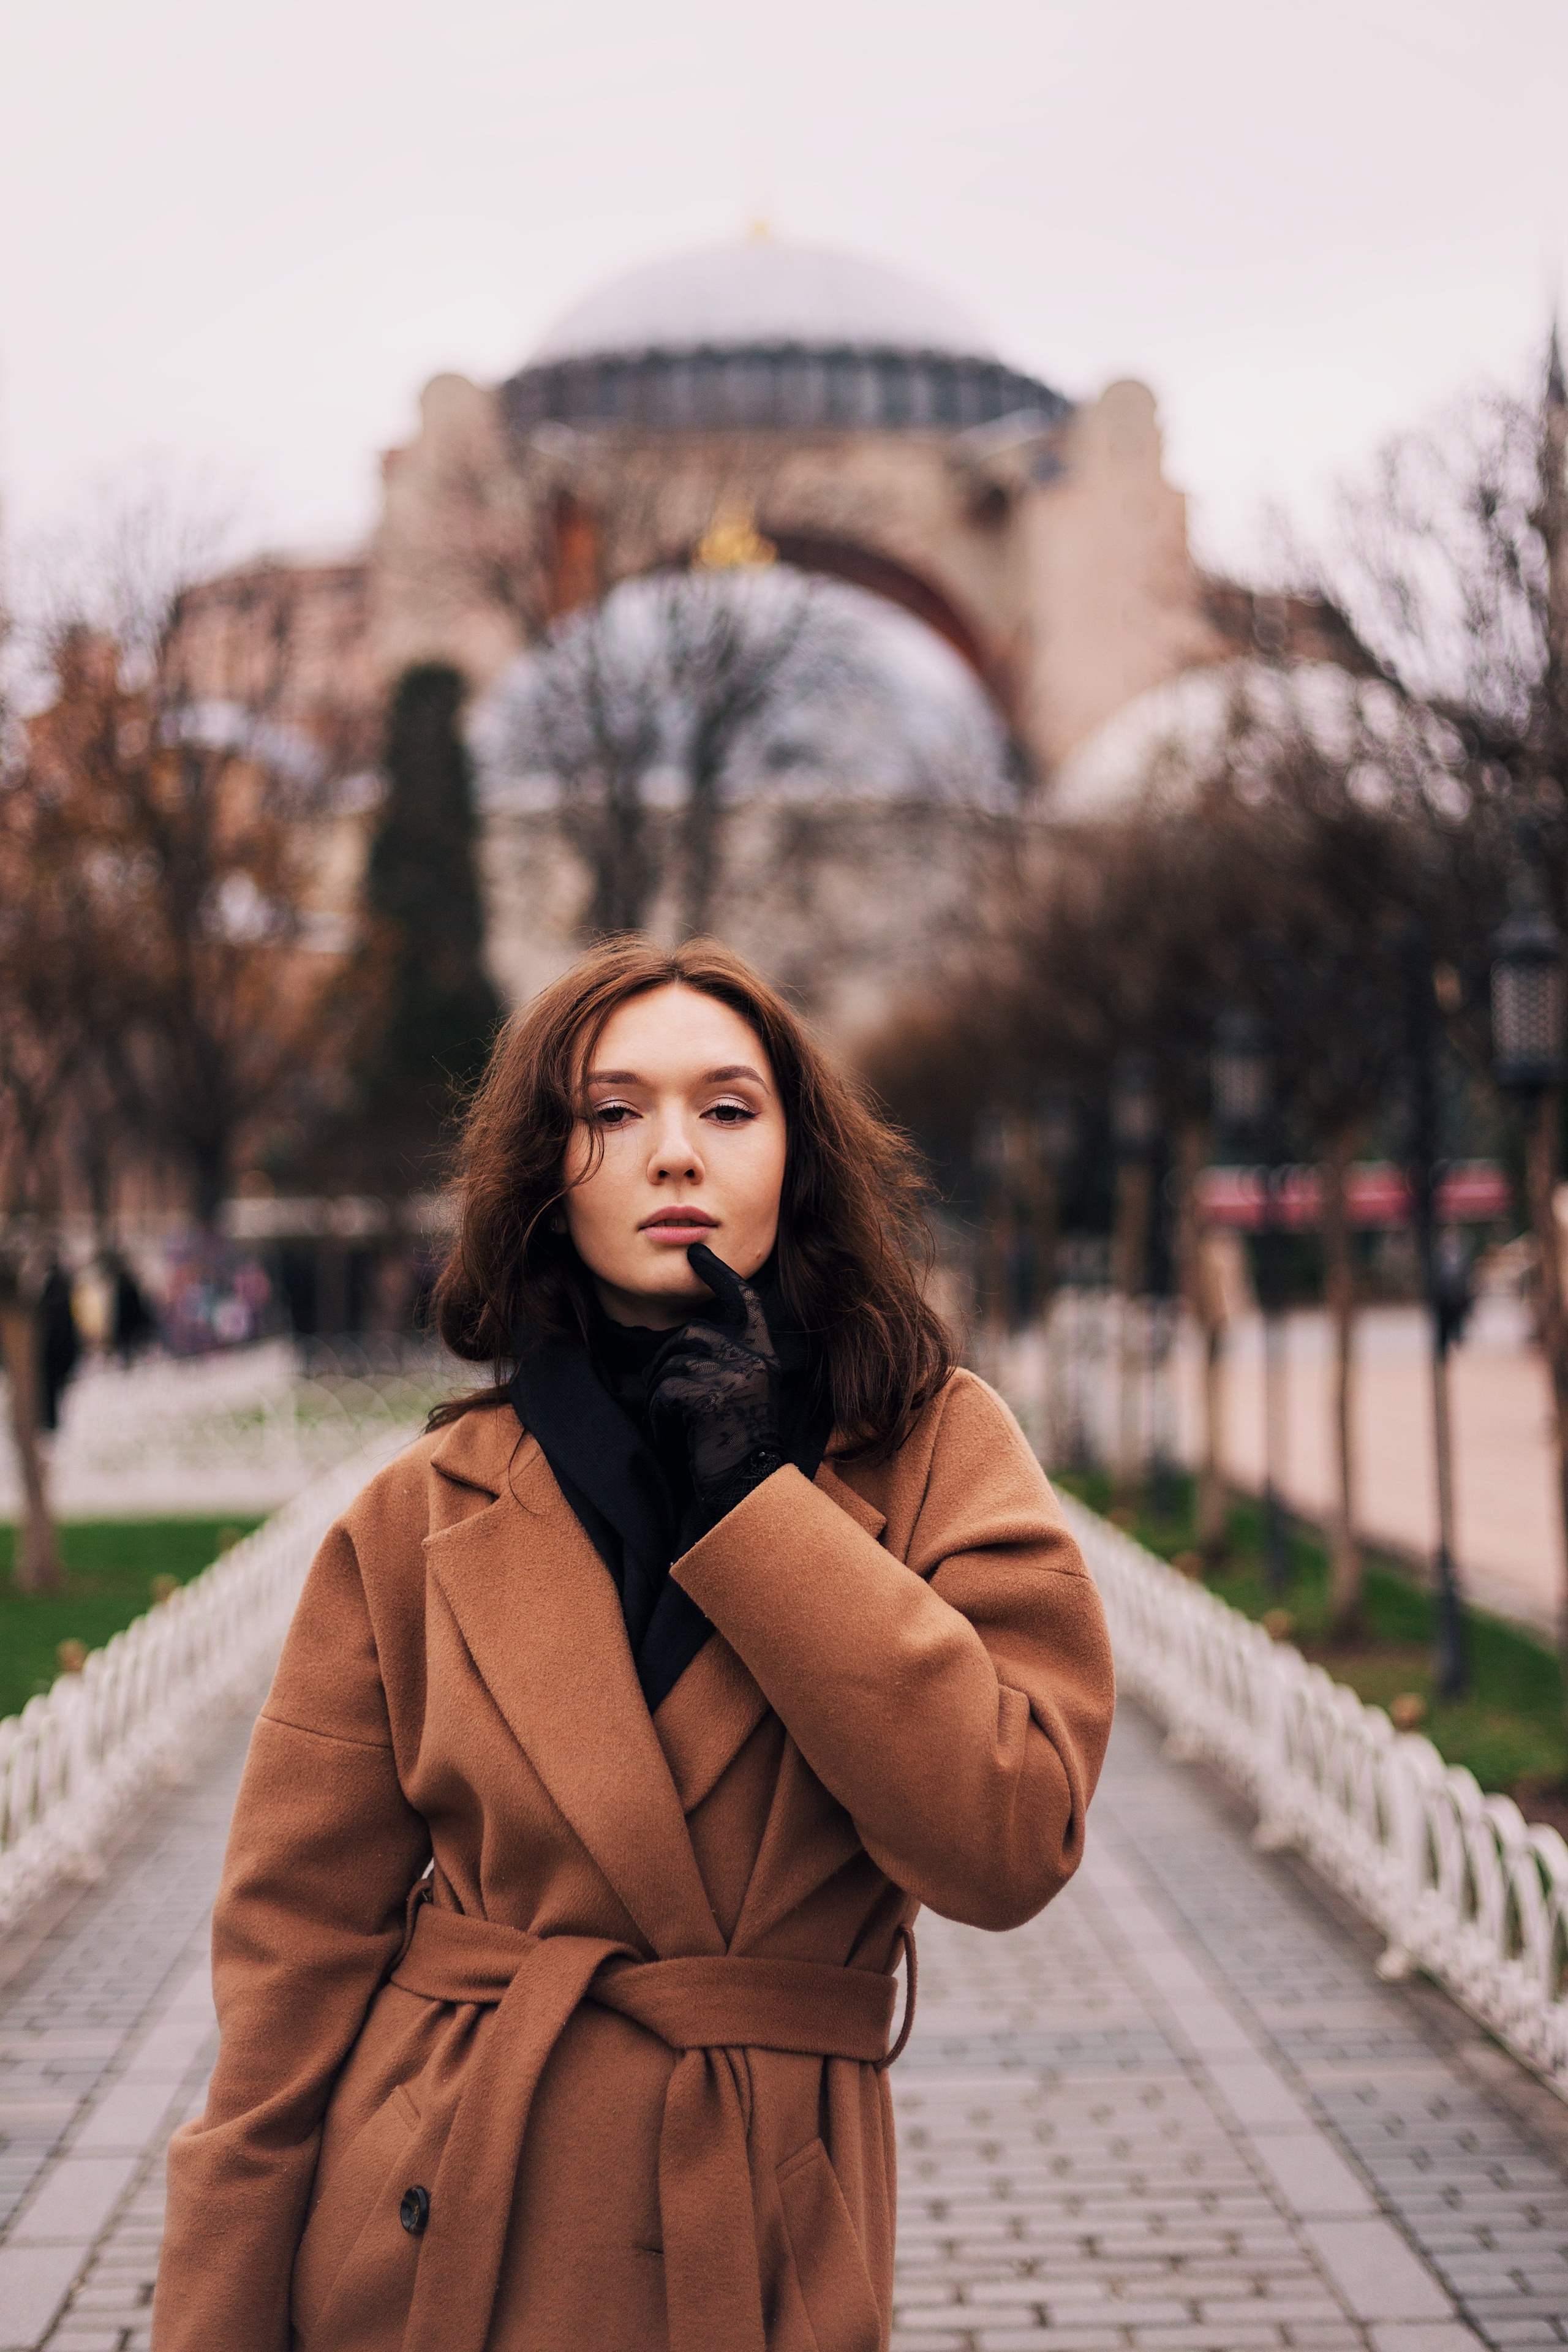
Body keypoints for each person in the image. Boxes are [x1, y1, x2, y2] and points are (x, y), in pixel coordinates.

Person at [152, 938, 1115, 2352]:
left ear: (795, 1154)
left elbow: (1007, 1842)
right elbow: (289, 1966)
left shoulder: (933, 1453)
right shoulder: (417, 1515)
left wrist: (754, 1507)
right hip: (440, 2225)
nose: (674, 1154)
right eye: (611, 1113)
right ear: (545, 1168)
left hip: (765, 2214)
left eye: (727, 1109)